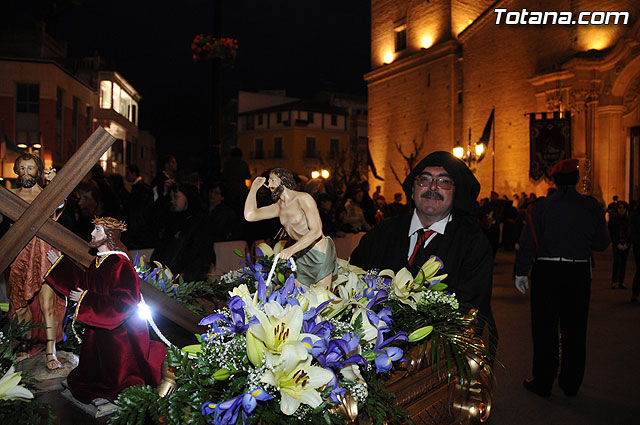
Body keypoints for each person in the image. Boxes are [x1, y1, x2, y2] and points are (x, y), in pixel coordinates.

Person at [349, 151, 497, 352]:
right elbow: (353, 279)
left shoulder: (473, 244)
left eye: (444, 182)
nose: (432, 187)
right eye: (424, 180)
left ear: (455, 193)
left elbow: (471, 309)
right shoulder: (383, 233)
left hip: (441, 357)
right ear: (412, 190)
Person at [515, 158, 609, 397]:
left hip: (547, 271)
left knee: (544, 328)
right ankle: (571, 382)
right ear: (577, 180)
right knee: (575, 329)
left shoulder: (539, 207)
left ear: (554, 181)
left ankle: (543, 381)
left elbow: (528, 242)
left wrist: (520, 271)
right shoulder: (592, 206)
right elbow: (601, 243)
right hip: (578, 272)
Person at [44, 217, 165, 403]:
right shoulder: (98, 262)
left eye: (97, 230)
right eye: (94, 229)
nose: (92, 234)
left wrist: (86, 300)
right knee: (92, 370)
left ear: (108, 236)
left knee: (116, 375)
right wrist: (61, 267)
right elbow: (83, 286)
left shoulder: (120, 265)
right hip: (98, 331)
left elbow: (125, 303)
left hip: (120, 336)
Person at [3, 153, 66, 370]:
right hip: (19, 256)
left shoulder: (46, 194)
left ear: (38, 171)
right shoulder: (9, 196)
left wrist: (53, 184)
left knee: (47, 305)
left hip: (45, 253)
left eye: (31, 168)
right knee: (20, 305)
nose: (26, 173)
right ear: (16, 171)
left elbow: (58, 203)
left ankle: (51, 352)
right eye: (22, 169)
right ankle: (23, 348)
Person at [244, 168, 336, 289]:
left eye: (272, 180)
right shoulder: (278, 207)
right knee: (300, 296)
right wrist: (254, 188)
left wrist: (291, 250)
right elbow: (250, 215)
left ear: (283, 181)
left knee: (322, 297)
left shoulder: (303, 198)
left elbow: (317, 231)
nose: (269, 184)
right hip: (302, 252)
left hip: (319, 252)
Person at [152, 183, 214, 282]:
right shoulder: (173, 219)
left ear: (188, 197)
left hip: (187, 282)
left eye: (176, 197)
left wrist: (183, 277)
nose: (172, 201)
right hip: (167, 280)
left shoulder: (199, 222)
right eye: (171, 197)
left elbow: (201, 257)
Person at [609, 200, 630, 289]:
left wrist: (627, 244)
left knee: (624, 262)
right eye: (620, 208)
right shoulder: (613, 219)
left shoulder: (629, 219)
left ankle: (621, 281)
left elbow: (630, 232)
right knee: (617, 261)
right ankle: (614, 281)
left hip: (625, 243)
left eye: (623, 208)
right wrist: (617, 243)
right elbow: (612, 232)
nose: (621, 210)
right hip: (616, 243)